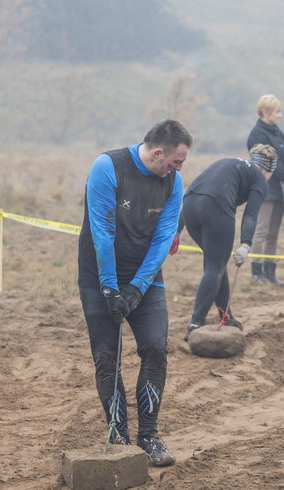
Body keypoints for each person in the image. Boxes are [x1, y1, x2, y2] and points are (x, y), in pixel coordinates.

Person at [77, 119, 192, 467]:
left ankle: (149, 435)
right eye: (175, 162)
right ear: (158, 153)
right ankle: (119, 435)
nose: (178, 169)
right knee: (107, 358)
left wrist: (137, 289)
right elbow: (102, 231)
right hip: (99, 277)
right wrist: (111, 288)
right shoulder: (108, 167)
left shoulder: (173, 182)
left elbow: (162, 240)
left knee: (156, 349)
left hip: (145, 279)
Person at [179, 144, 275, 339]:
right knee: (214, 267)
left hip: (189, 206)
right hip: (216, 208)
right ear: (269, 169)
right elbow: (251, 214)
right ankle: (195, 322)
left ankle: (226, 315)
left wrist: (176, 230)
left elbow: (197, 190)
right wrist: (246, 244)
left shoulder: (229, 162)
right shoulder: (260, 179)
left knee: (217, 263)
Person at [247, 94, 284, 287]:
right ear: (265, 113)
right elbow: (269, 163)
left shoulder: (276, 131)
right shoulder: (257, 135)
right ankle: (256, 272)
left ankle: (270, 272)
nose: (280, 115)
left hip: (280, 190)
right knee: (261, 230)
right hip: (265, 189)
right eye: (277, 112)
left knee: (273, 233)